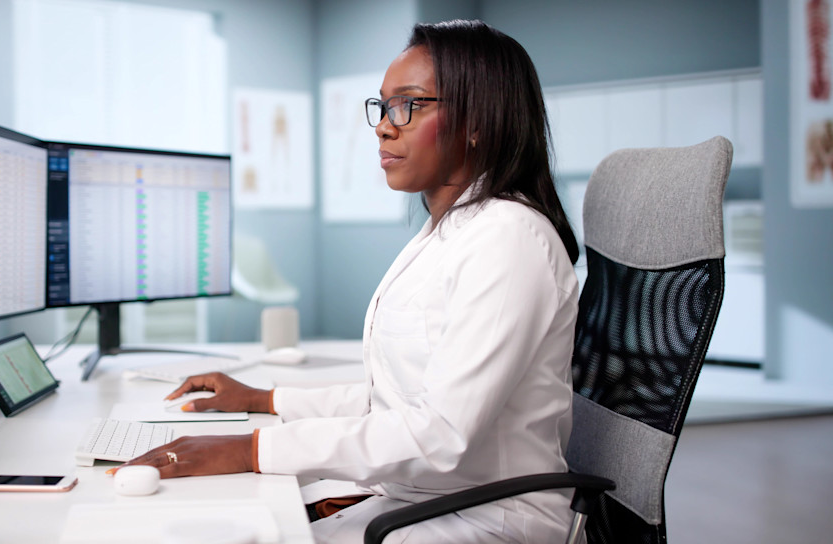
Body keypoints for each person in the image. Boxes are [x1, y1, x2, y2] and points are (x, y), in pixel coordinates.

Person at [112, 19, 581, 543]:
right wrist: (265, 400)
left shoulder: (508, 239)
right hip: (427, 497)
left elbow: (440, 434)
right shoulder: (450, 231)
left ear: (477, 122)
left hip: (487, 519)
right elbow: (397, 400)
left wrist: (250, 449)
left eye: (407, 105)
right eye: (381, 107)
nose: (383, 126)